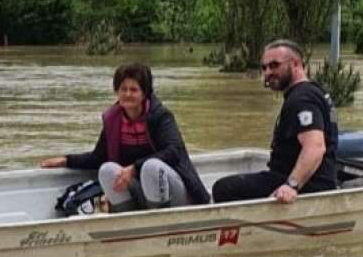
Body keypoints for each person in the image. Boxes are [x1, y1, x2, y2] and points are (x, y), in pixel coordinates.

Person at [40, 63, 210, 212]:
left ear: (144, 93)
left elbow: (174, 152)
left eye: (134, 89)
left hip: (176, 194)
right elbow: (98, 157)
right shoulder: (113, 120)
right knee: (107, 169)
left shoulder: (160, 116)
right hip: (142, 192)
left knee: (151, 167)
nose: (128, 94)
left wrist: (134, 168)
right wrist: (65, 160)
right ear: (117, 91)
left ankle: (158, 218)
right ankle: (128, 217)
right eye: (123, 89)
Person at [212, 39, 338, 204]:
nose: (268, 72)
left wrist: (291, 185)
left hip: (310, 185)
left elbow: (315, 147)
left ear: (295, 63)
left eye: (274, 65)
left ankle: (253, 228)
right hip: (304, 178)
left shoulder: (302, 99)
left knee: (224, 188)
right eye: (264, 67)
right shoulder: (312, 91)